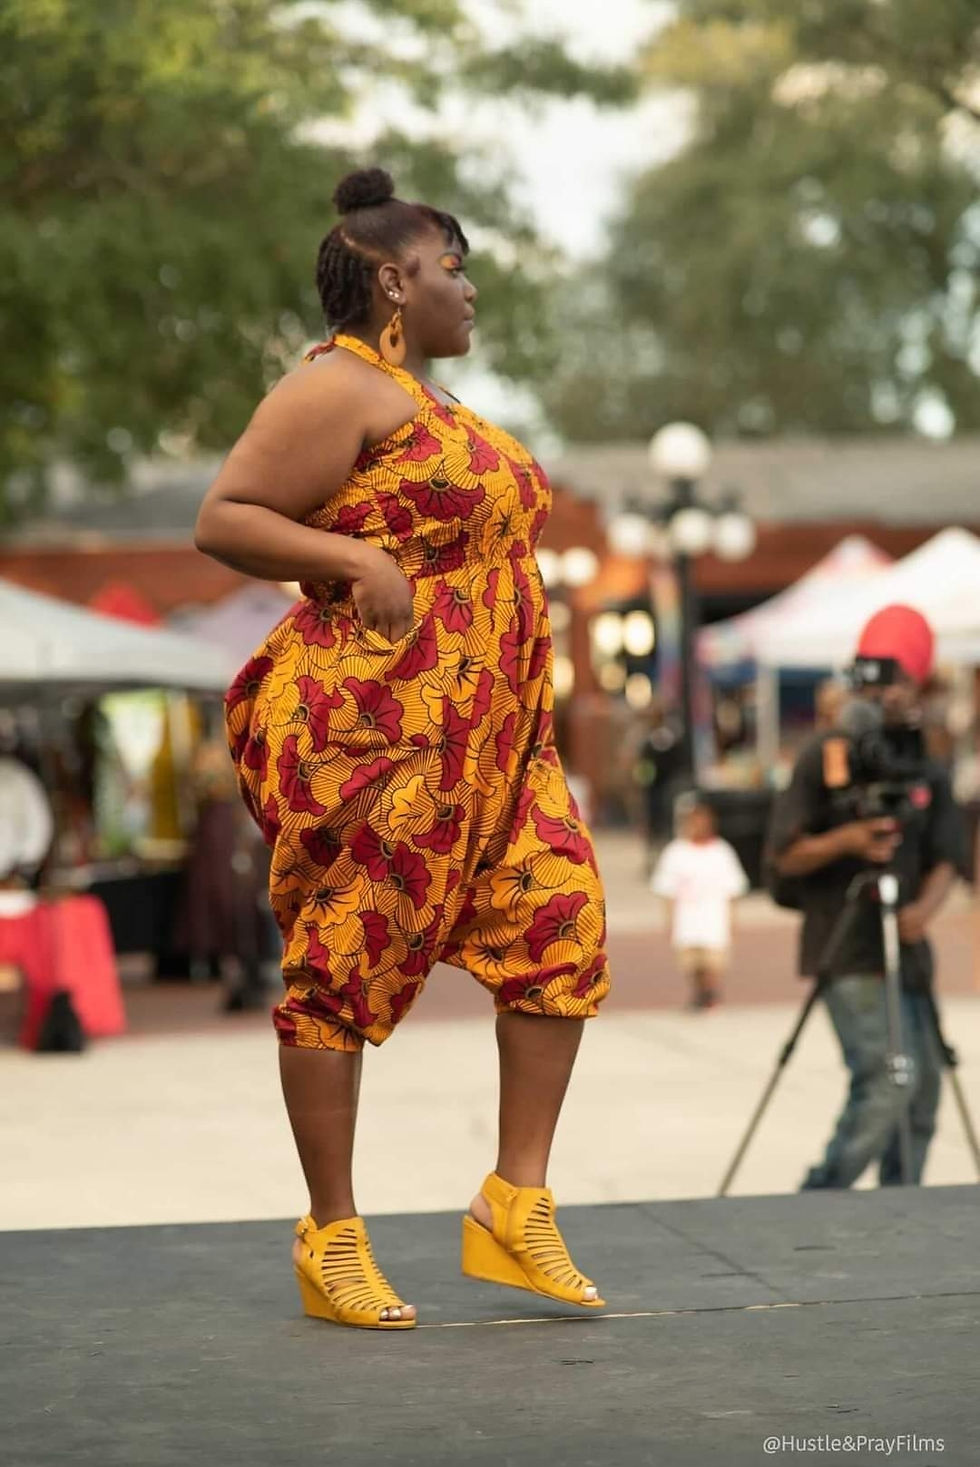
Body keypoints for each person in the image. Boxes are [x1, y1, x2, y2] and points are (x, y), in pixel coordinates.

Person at [195, 167, 610, 1329]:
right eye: (452, 268)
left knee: (560, 924)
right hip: (380, 734)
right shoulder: (334, 386)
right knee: (343, 965)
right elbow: (225, 516)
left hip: (494, 741)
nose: (468, 290)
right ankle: (329, 1236)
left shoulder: (429, 404)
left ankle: (512, 1204)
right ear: (392, 280)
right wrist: (354, 559)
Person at [766, 604, 964, 1190]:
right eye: (882, 679)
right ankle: (822, 1195)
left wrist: (923, 911)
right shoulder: (826, 754)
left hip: (907, 950)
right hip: (846, 943)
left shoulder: (923, 759)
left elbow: (950, 855)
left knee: (923, 1092)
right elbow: (781, 857)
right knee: (886, 1085)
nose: (891, 694)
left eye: (904, 680)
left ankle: (900, 1205)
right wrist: (847, 840)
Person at [651, 797, 748, 1010]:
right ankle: (698, 994)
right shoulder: (676, 852)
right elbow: (667, 891)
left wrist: (733, 921)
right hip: (687, 920)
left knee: (713, 963)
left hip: (713, 919)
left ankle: (710, 995)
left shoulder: (721, 852)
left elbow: (733, 891)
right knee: (692, 964)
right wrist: (669, 921)